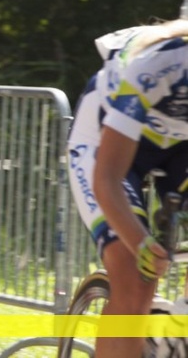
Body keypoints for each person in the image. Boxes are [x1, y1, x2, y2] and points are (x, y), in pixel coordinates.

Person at [67, 20, 188, 358]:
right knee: (135, 273)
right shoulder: (159, 64)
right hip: (106, 140)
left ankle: (175, 336)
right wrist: (141, 244)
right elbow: (107, 179)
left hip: (180, 145)